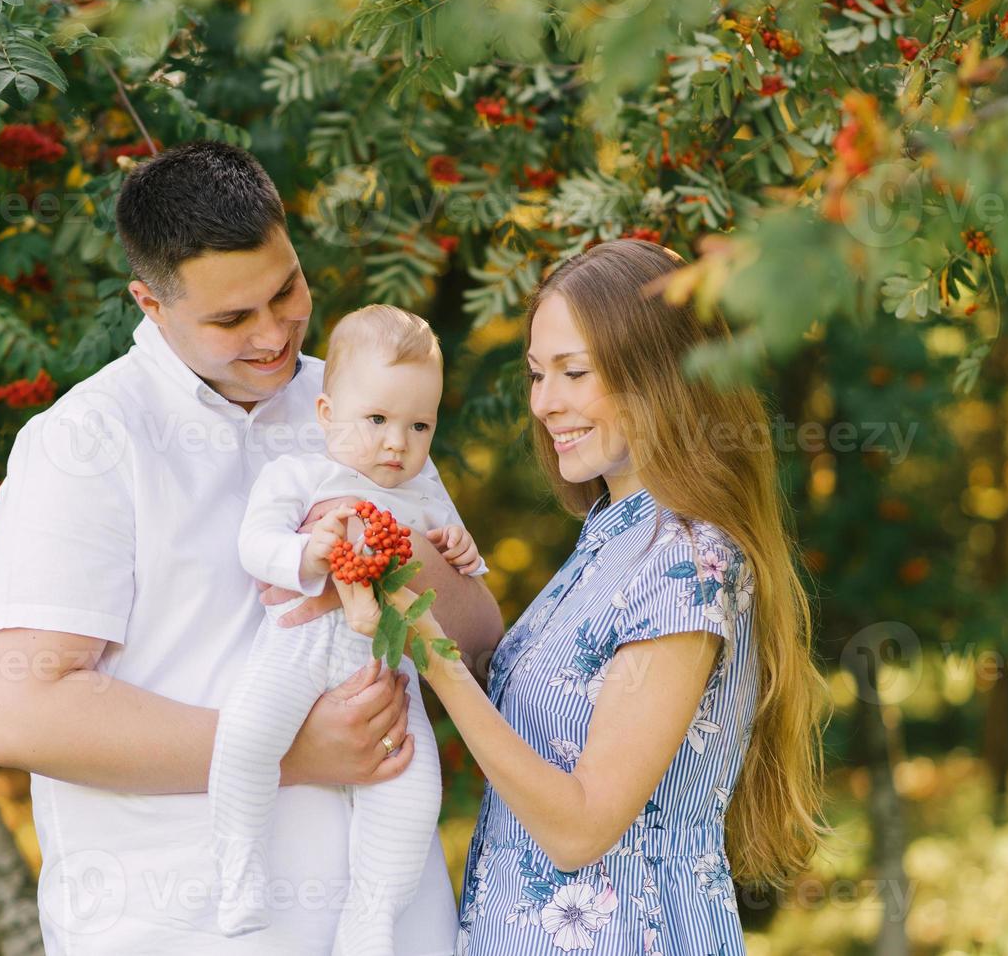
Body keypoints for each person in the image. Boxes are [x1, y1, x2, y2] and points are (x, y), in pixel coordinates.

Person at [0, 141, 504, 954]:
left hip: (393, 924)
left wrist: (373, 531)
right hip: (182, 926)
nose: (271, 335)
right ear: (150, 304)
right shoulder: (85, 442)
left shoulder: (360, 404)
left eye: (286, 290)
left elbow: (474, 637)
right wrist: (295, 750)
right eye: (230, 319)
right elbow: (22, 714)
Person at [332, 239, 827, 955]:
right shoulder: (609, 540)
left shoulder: (687, 560)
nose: (543, 403)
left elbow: (580, 827)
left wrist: (431, 653)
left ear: (656, 374)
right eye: (537, 374)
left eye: (572, 372)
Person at [212, 305, 487, 951]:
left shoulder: (422, 490)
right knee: (247, 736)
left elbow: (461, 571)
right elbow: (254, 543)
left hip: (387, 663)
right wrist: (306, 555)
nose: (398, 443)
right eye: (378, 420)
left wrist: (460, 547)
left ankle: (371, 917)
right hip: (296, 647)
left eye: (420, 425)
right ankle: (239, 868)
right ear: (328, 415)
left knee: (413, 791)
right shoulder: (299, 476)